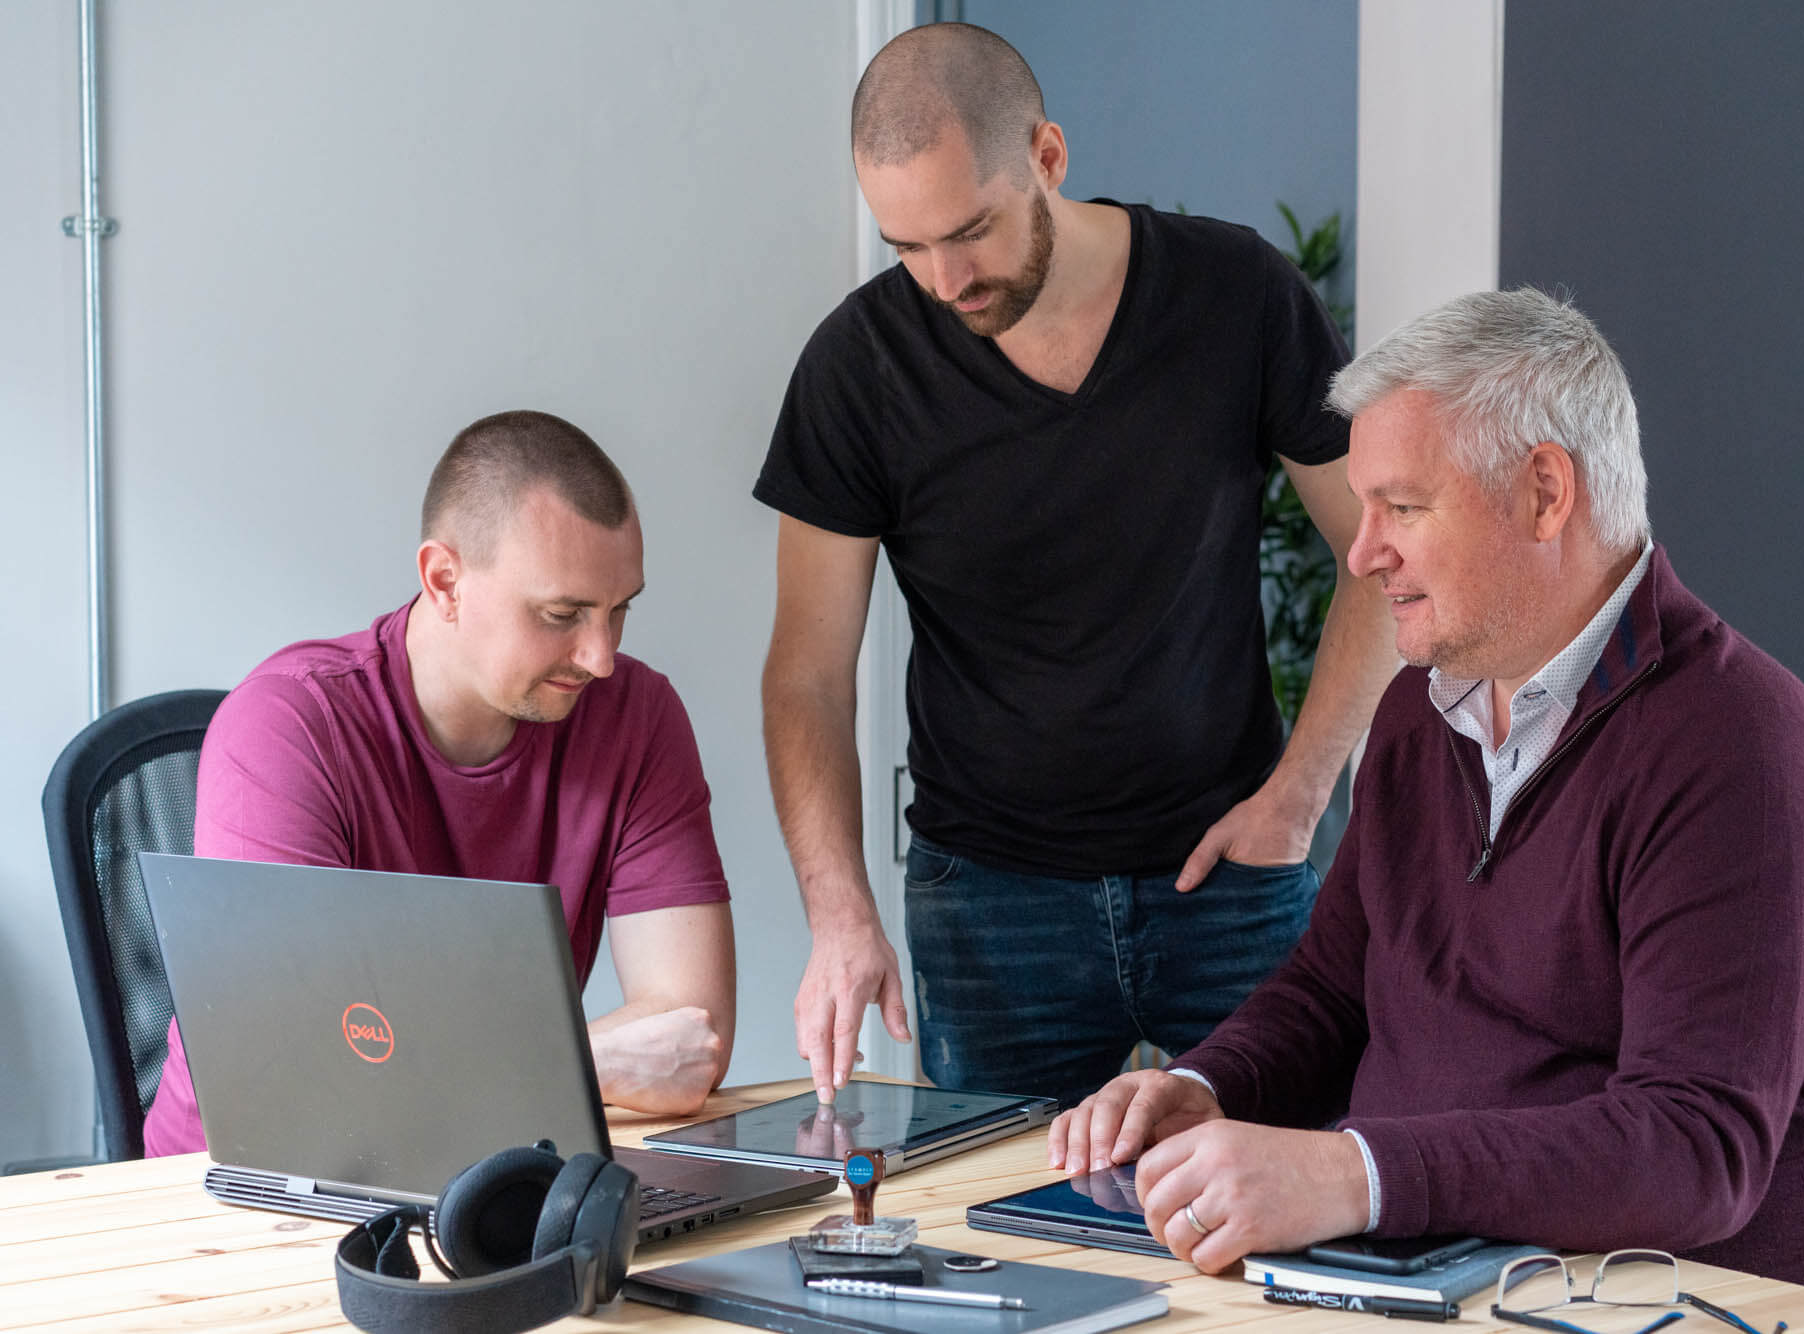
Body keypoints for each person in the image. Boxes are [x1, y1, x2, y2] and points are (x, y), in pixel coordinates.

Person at [1049, 289, 1804, 1305]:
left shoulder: (1740, 751)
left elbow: (1696, 1146)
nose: (1361, 549)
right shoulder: (1421, 715)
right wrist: (1199, 1088)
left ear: (1544, 492)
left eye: (1403, 507)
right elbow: (1334, 991)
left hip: (1712, 1305)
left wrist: (1353, 1172)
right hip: (1449, 1276)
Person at [756, 23, 1399, 1109]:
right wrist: (836, 910)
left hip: (1231, 876)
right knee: (1007, 1256)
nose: (944, 279)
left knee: (1284, 1229)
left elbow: (1380, 554)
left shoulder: (1235, 292)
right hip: (987, 907)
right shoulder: (855, 366)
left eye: (969, 230)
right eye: (904, 246)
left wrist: (1301, 792)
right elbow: (805, 674)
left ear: (1046, 157)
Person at [143, 410, 736, 1157]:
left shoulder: (638, 717)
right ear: (445, 581)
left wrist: (460, 1072)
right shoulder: (286, 725)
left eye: (619, 612)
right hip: (243, 1184)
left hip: (490, 1155)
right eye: (563, 614)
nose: (601, 656)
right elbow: (297, 1069)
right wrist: (593, 1061)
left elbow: (688, 1034)